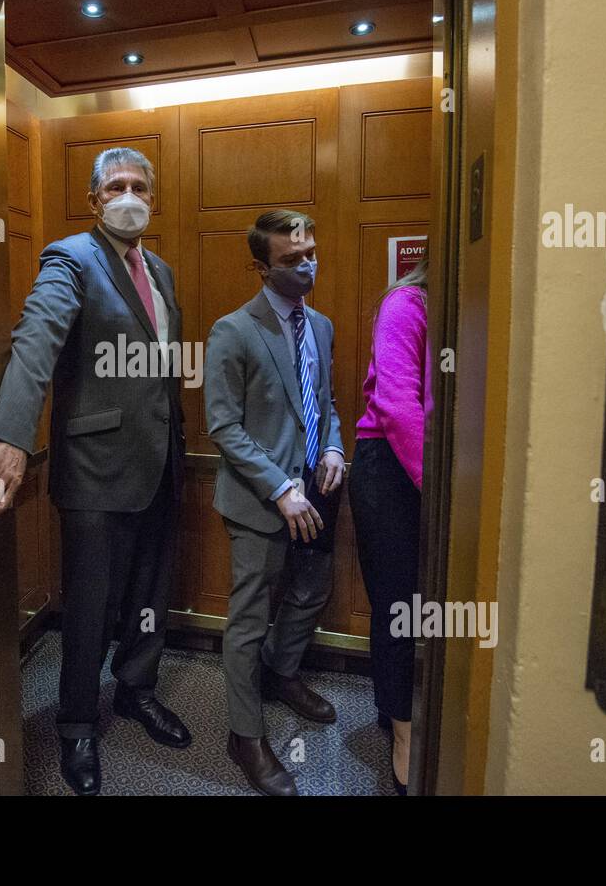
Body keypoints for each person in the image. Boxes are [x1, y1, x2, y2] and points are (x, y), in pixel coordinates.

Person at [0, 147, 189, 796]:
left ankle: (137, 689)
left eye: (138, 186)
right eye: (115, 185)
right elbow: (36, 341)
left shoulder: (164, 273)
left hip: (160, 462)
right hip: (95, 469)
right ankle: (77, 723)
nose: (128, 194)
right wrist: (11, 435)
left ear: (151, 198)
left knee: (150, 593)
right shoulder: (71, 258)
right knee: (91, 605)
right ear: (94, 200)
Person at [204, 210, 344, 796]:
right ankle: (245, 736)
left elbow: (326, 403)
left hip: (320, 486)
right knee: (250, 616)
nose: (306, 265)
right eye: (291, 259)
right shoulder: (233, 331)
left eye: (310, 251)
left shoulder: (323, 326)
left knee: (312, 589)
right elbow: (223, 426)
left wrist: (335, 446)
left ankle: (282, 672)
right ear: (261, 267)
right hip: (264, 498)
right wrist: (281, 487)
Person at [348, 257, 428, 796]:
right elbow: (399, 407)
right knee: (400, 606)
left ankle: (397, 706)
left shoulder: (464, 311)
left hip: (428, 468)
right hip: (390, 468)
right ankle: (401, 733)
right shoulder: (406, 304)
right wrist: (441, 496)